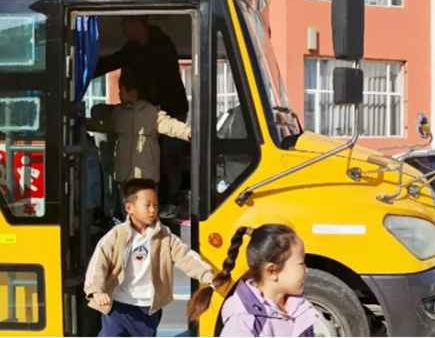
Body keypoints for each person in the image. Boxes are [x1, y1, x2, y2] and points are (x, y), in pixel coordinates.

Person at [85, 179, 216, 338]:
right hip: (117, 306)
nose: (153, 210)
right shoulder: (116, 235)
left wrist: (208, 276)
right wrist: (96, 291)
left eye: (155, 204)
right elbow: (98, 263)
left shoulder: (164, 236)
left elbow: (186, 256)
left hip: (147, 310)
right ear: (129, 208)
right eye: (147, 205)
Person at [94, 16, 188, 212]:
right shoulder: (132, 48)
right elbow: (112, 61)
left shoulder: (162, 45)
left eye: (124, 24)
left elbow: (164, 81)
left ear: (136, 24)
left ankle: (172, 200)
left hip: (170, 107)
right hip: (146, 107)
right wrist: (85, 71)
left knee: (167, 154)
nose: (122, 28)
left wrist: (147, 107)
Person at [85, 65, 191, 218]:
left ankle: (147, 239)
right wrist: (83, 122)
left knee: (146, 214)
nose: (119, 94)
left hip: (145, 178)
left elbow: (171, 126)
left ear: (132, 92)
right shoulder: (119, 113)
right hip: (124, 177)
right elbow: (105, 124)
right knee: (127, 214)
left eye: (121, 90)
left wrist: (189, 132)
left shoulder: (152, 114)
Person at [188, 224, 321, 337]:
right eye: (301, 263)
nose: (306, 270)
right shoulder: (243, 322)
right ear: (272, 271)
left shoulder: (298, 309)